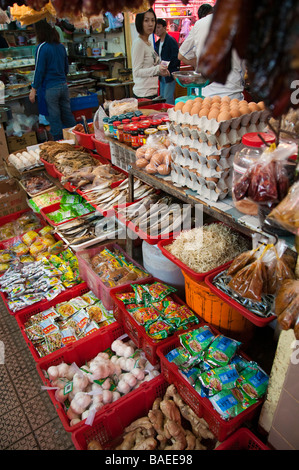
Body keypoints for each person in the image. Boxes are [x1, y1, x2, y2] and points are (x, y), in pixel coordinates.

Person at [178, 6, 245, 100]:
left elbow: (181, 55)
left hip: (203, 95)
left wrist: (196, 62)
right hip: (231, 96)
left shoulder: (200, 24)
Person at [29, 20, 76, 141]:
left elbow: (39, 70)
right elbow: (66, 68)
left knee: (54, 119)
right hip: (63, 86)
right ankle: (77, 140)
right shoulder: (60, 46)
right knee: (68, 116)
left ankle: (60, 145)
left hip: (50, 88)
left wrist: (33, 89)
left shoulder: (42, 47)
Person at [132, 8, 170, 100]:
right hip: (143, 94)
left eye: (153, 20)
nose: (150, 24)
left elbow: (150, 67)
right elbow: (136, 72)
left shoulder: (148, 43)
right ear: (140, 22)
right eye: (146, 20)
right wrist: (157, 69)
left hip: (151, 92)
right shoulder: (139, 43)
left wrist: (161, 71)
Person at [154, 18, 180, 105]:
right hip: (162, 74)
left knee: (167, 98)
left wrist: (171, 70)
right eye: (155, 28)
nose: (156, 30)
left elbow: (176, 58)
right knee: (163, 97)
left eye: (158, 27)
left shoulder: (171, 41)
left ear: (165, 28)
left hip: (169, 74)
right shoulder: (157, 43)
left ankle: (170, 115)